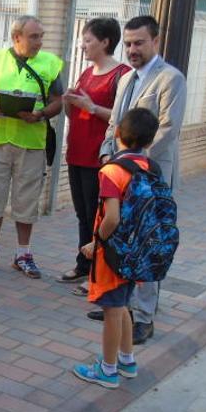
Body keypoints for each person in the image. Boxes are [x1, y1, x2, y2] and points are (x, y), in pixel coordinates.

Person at [88, 15, 187, 345]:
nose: (132, 49)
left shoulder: (170, 79)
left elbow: (168, 130)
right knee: (120, 238)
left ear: (155, 41)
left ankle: (143, 316)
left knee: (147, 241)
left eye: (139, 43)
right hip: (121, 175)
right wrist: (107, 154)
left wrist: (130, 166)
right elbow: (114, 123)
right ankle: (119, 305)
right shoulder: (127, 79)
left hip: (149, 178)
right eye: (128, 44)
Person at [0, 15, 64, 279]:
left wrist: (42, 114)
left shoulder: (50, 64)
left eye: (41, 36)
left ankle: (23, 254)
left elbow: (59, 101)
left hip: (32, 143)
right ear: (17, 37)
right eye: (34, 36)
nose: (39, 41)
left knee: (26, 201)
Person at [72, 108, 158, 389]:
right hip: (139, 251)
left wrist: (95, 242)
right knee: (122, 305)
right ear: (150, 140)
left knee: (111, 310)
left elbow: (112, 217)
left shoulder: (112, 170)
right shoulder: (151, 167)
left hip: (113, 253)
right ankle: (126, 360)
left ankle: (107, 370)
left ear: (118, 133)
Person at [60, 18, 131, 295]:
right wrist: (70, 102)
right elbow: (75, 115)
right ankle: (82, 262)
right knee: (82, 215)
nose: (84, 45)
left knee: (97, 216)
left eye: (88, 40)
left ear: (105, 42)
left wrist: (91, 106)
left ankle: (97, 272)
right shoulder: (86, 74)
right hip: (76, 152)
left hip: (99, 157)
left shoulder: (121, 75)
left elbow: (121, 119)